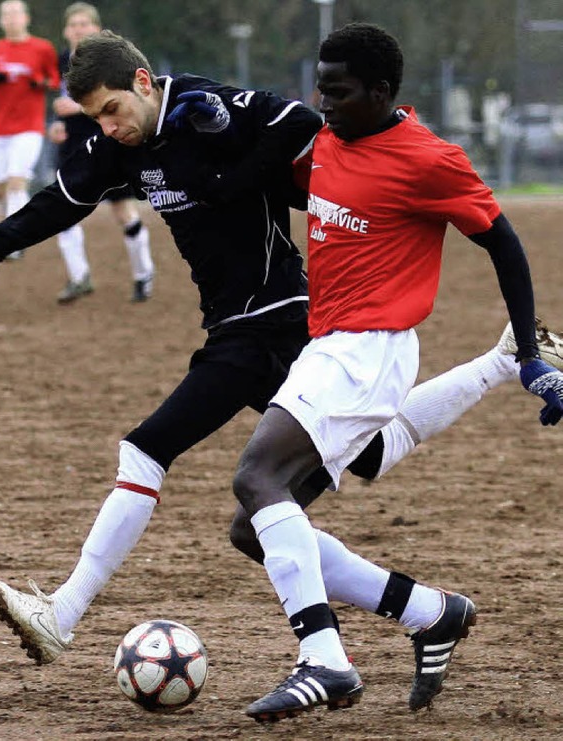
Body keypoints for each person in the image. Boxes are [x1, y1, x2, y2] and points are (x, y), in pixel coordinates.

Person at [0, 29, 563, 720]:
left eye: (113, 110)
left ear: (144, 83)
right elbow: (59, 202)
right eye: (96, 120)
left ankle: (75, 612)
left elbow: (299, 126)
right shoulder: (155, 148)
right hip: (291, 331)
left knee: (165, 451)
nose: (108, 128)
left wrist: (227, 157)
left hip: (273, 323)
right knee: (287, 502)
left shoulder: (223, 107)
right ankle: (430, 608)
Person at [228, 22, 563, 722]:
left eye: (340, 91)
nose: (324, 100)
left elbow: (505, 245)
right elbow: (313, 195)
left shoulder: (428, 159)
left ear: (382, 92)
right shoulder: (327, 140)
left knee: (258, 477)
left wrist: (531, 357)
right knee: (252, 526)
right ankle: (429, 611)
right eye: (319, 86)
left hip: (369, 348)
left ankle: (326, 661)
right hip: (332, 346)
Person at [48, 3, 154, 303]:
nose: (78, 29)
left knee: (122, 210)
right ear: (65, 30)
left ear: (96, 28)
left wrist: (78, 108)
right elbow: (58, 102)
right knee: (63, 209)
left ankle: (142, 273)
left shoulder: (108, 59)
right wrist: (56, 124)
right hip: (71, 145)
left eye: (84, 23)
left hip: (107, 137)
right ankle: (79, 277)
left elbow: (120, 100)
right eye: (73, 24)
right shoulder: (60, 62)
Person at [0, 0, 59, 259]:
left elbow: (54, 80)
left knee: (16, 181)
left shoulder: (42, 48)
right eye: (6, 15)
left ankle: (14, 240)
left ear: (26, 18)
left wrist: (38, 81)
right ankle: (19, 220)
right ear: (1, 21)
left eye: (15, 14)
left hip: (28, 126)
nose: (11, 19)